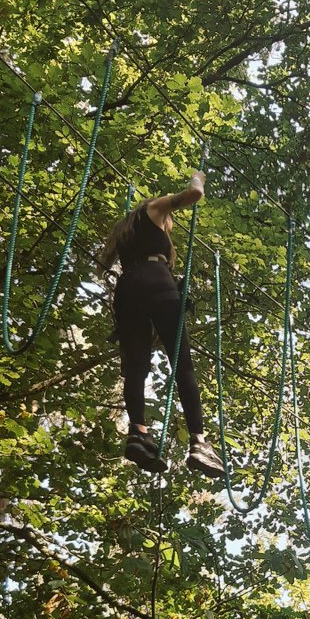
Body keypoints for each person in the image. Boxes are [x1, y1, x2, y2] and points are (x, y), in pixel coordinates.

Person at [99, 171, 224, 477]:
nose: (170, 226)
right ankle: (199, 443)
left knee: (137, 367)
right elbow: (194, 194)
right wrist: (199, 176)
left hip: (128, 291)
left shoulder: (128, 239)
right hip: (156, 285)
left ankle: (138, 435)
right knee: (182, 364)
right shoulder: (153, 209)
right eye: (170, 224)